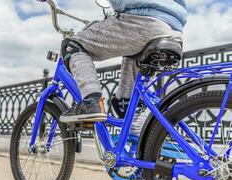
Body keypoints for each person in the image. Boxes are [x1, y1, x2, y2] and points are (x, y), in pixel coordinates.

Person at [59, 0, 188, 123]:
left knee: (72, 46)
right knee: (126, 103)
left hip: (142, 21)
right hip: (175, 31)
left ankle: (91, 102)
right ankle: (139, 137)